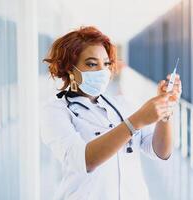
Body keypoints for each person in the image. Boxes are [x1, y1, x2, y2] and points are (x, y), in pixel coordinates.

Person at [40, 26, 182, 200]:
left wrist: (165, 111)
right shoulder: (55, 111)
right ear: (70, 69)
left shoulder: (121, 104)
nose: (102, 70)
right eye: (92, 64)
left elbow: (160, 152)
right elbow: (84, 160)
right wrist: (135, 122)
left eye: (106, 64)